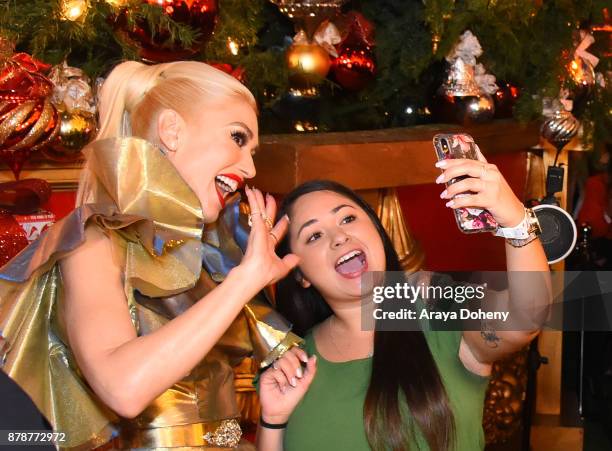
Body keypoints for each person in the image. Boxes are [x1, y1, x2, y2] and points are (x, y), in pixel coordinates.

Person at [0, 60, 300, 450]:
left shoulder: (212, 254)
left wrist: (272, 425)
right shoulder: (92, 242)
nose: (249, 166)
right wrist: (244, 281)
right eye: (238, 138)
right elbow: (124, 388)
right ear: (171, 130)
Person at [256, 166, 551, 449]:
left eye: (347, 219)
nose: (339, 237)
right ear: (300, 274)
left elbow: (526, 317)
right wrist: (273, 420)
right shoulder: (295, 364)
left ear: (376, 231)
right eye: (314, 235)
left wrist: (515, 220)